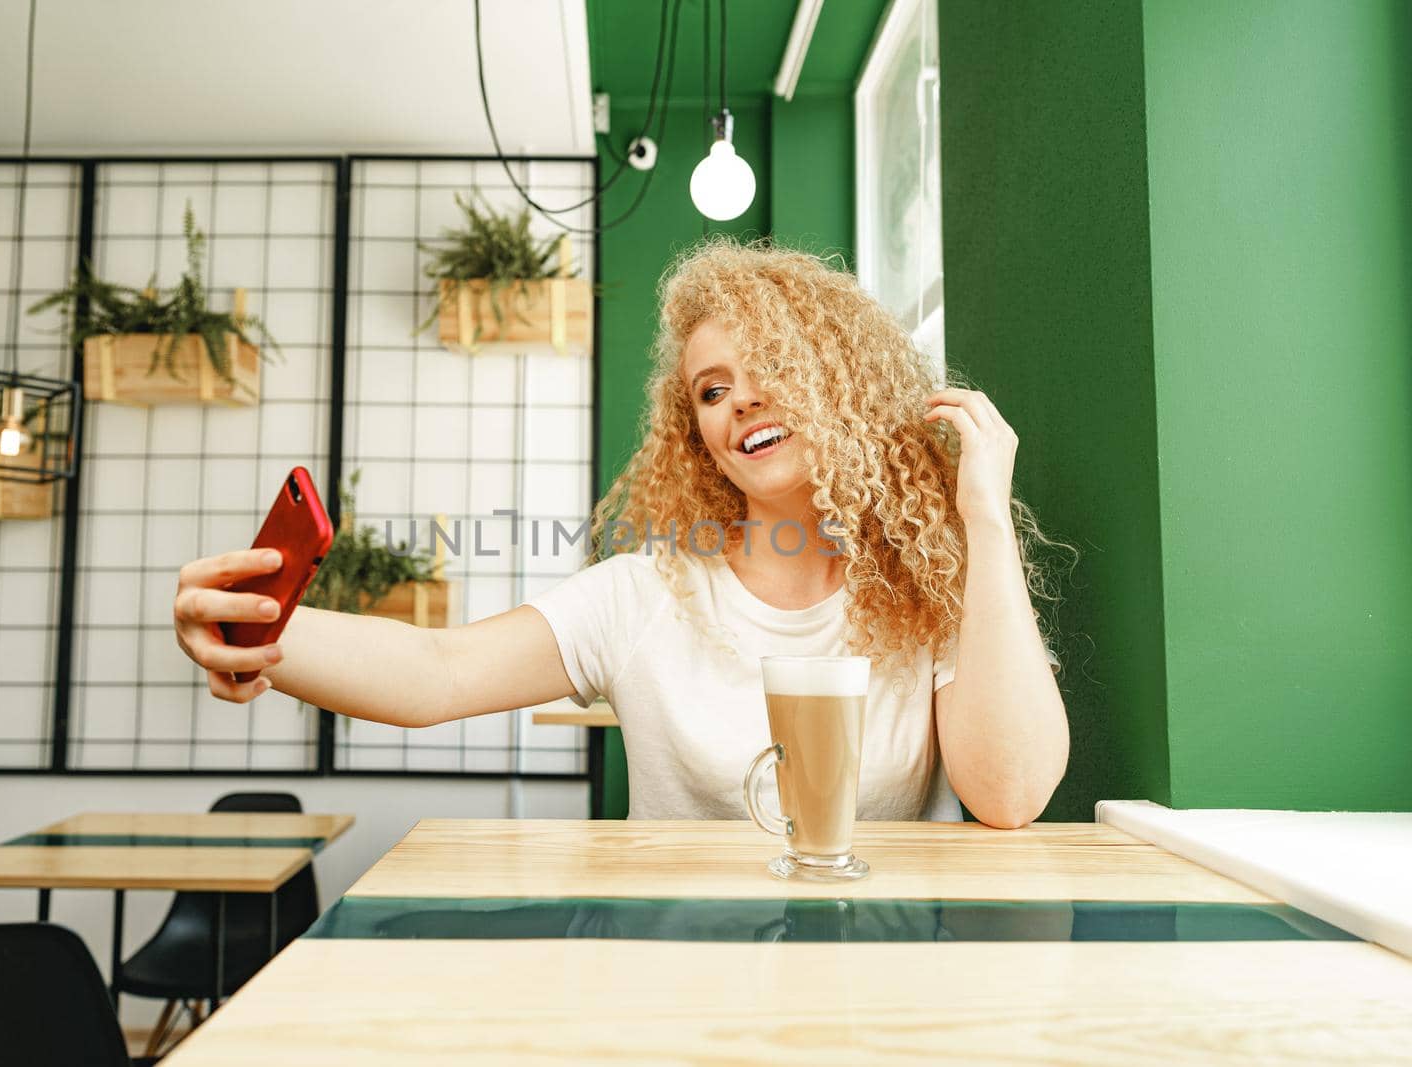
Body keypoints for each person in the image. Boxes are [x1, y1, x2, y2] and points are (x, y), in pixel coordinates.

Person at [173, 237, 1070, 828]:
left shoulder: (927, 594)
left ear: (841, 383)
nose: (739, 398)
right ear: (700, 438)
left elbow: (1012, 793)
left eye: (768, 368)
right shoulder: (646, 595)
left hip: (876, 989)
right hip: (673, 983)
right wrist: (261, 631)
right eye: (711, 390)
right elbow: (436, 674)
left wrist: (983, 521)